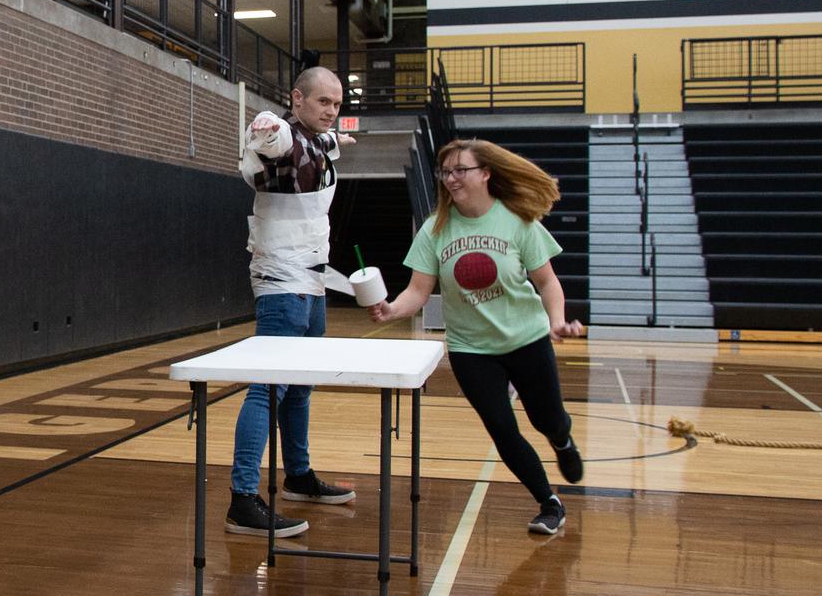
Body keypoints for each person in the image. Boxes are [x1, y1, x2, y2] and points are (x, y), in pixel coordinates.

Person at [370, 139, 586, 536]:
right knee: (502, 429)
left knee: (547, 419)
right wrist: (391, 309)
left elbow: (548, 282)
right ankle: (548, 502)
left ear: (485, 173)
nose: (451, 179)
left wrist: (557, 320)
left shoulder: (517, 221)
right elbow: (418, 291)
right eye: (445, 172)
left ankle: (562, 441)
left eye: (460, 170)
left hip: (526, 338)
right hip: (472, 349)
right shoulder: (435, 229)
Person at [227, 67, 360, 539]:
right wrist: (266, 128)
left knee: (301, 386)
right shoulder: (283, 135)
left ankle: (298, 476)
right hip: (281, 284)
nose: (331, 111)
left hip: (313, 281)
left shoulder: (325, 145)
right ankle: (243, 498)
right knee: (268, 388)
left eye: (337, 104)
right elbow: (270, 138)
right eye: (323, 102)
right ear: (297, 99)